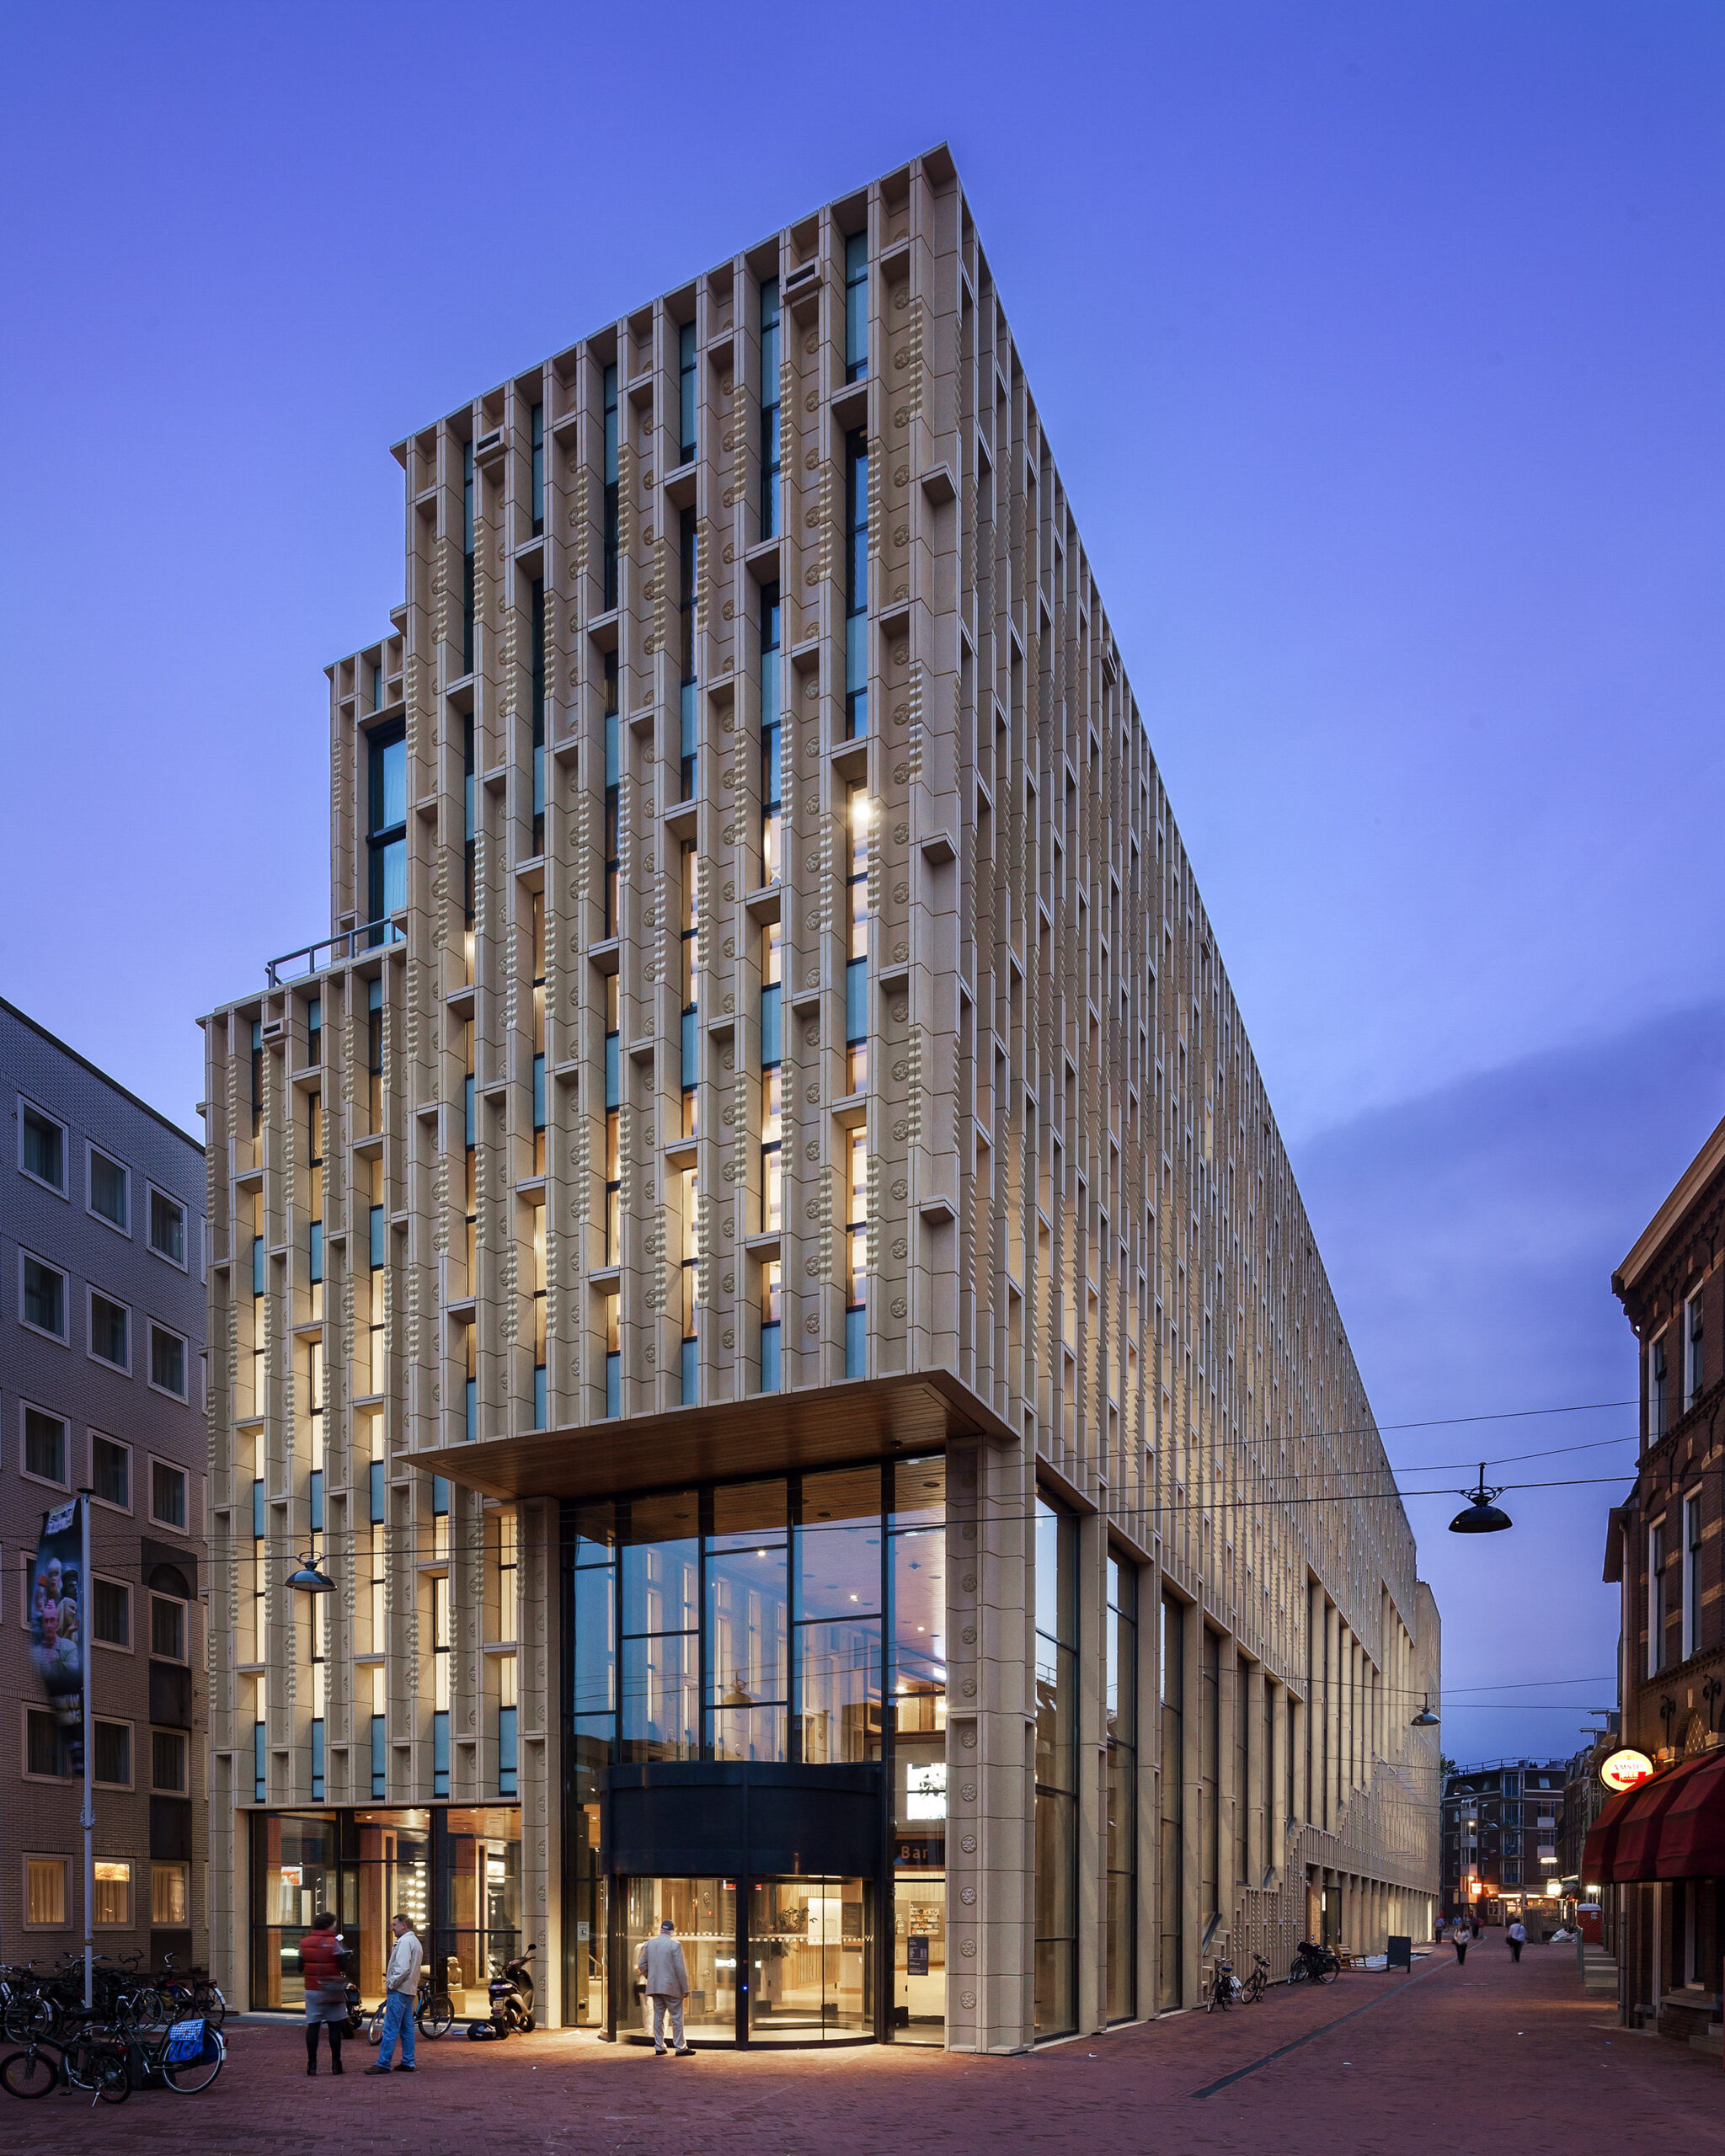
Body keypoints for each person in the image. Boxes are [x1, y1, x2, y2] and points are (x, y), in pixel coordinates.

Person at [366, 1913, 423, 2074]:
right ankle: (408, 2061)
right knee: (407, 2028)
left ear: (404, 1925)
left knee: (390, 2027)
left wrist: (391, 1983)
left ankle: (384, 2063)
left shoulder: (404, 1942)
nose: (392, 1928)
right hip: (409, 1990)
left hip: (399, 1990)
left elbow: (402, 1968)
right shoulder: (415, 1942)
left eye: (395, 1925)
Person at [636, 1918, 693, 2057]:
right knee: (677, 2017)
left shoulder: (650, 1944)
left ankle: (659, 2046)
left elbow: (641, 1965)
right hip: (671, 1987)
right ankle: (680, 2047)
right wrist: (685, 1988)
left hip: (655, 1987)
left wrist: (652, 1977)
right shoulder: (675, 1945)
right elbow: (680, 1969)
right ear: (672, 1931)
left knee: (658, 2017)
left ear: (661, 1930)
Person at [300, 1912, 348, 2075]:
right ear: (329, 1925)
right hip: (332, 1989)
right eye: (333, 1924)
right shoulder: (334, 1942)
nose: (334, 1926)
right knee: (334, 2026)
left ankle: (311, 2064)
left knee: (313, 2026)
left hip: (312, 1988)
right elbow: (342, 1966)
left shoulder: (304, 1942)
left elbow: (300, 1966)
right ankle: (336, 2064)